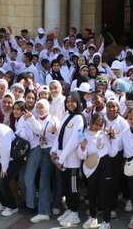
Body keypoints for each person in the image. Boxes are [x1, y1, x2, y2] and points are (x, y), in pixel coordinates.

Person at [78, 112, 118, 229]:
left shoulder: (105, 134)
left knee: (104, 194)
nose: (98, 127)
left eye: (100, 125)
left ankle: (106, 221)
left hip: (105, 165)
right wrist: (83, 147)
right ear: (91, 122)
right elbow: (81, 155)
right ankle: (92, 218)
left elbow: (113, 153)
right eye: (96, 124)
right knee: (92, 193)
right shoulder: (83, 134)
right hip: (90, 168)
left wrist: (113, 139)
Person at [52, 92, 86, 227]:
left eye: (73, 101)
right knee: (66, 186)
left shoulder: (79, 118)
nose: (70, 104)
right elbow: (60, 134)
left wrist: (61, 158)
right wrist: (53, 151)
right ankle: (70, 210)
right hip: (62, 159)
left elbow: (73, 141)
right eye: (68, 101)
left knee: (73, 188)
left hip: (72, 160)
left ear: (78, 103)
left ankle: (75, 213)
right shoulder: (67, 115)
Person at [29, 99, 60, 223]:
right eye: (37, 107)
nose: (39, 109)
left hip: (52, 152)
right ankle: (45, 211)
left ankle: (49, 209)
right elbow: (38, 131)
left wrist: (54, 152)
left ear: (47, 107)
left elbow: (56, 135)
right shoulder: (36, 119)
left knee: (54, 181)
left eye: (41, 107)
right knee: (44, 181)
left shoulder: (54, 119)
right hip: (43, 151)